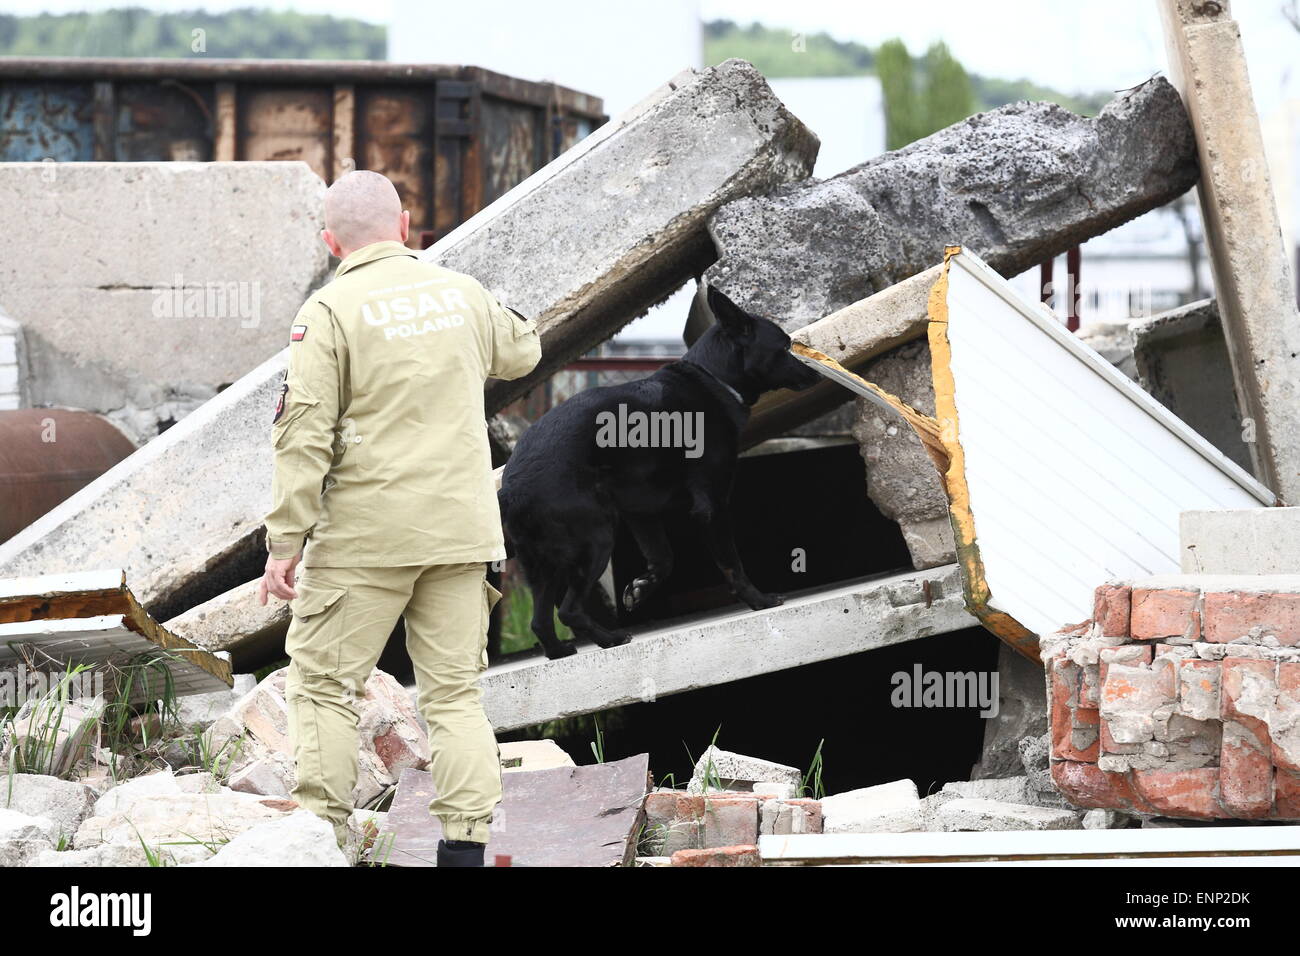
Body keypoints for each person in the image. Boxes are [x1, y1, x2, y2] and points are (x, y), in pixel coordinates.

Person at [257, 169, 540, 867]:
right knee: (453, 694)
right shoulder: (463, 292)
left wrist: (284, 540)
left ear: (331, 243)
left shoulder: (328, 313)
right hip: (460, 530)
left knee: (323, 684)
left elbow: (303, 433)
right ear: (406, 226)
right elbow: (523, 348)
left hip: (366, 539)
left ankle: (322, 838)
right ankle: (466, 849)